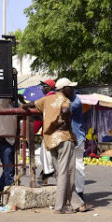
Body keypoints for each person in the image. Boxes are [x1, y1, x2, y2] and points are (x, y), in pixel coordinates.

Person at [23, 77, 87, 214]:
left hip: (50, 140)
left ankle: (77, 203)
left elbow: (31, 104)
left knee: (62, 172)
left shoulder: (47, 99)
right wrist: (65, 120)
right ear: (65, 89)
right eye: (71, 87)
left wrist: (23, 105)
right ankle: (60, 206)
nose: (73, 90)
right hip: (64, 138)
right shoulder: (65, 100)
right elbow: (64, 111)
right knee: (67, 172)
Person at [68, 86, 90, 207]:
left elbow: (65, 110)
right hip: (69, 138)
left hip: (77, 138)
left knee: (78, 166)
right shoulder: (72, 100)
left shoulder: (75, 102)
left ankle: (79, 194)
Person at [0, 99, 17, 193]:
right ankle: (9, 193)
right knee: (9, 170)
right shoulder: (2, 103)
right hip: (3, 140)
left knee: (9, 170)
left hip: (10, 140)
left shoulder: (12, 105)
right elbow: (4, 97)